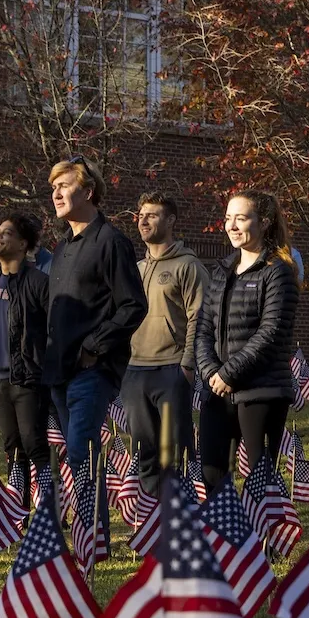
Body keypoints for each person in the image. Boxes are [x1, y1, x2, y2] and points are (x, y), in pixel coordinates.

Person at [41, 156, 148, 472]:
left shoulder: (112, 242)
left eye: (64, 185)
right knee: (75, 461)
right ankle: (85, 522)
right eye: (53, 188)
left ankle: (92, 523)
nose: (56, 194)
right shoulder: (61, 248)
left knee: (81, 455)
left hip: (92, 370)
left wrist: (94, 346)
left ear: (87, 192)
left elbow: (134, 305)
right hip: (58, 370)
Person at [195, 189, 298, 487]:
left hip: (261, 389)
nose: (232, 226)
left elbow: (271, 332)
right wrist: (212, 372)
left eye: (241, 218)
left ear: (264, 222)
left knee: (260, 482)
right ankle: (220, 535)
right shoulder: (221, 270)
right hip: (218, 390)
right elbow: (203, 329)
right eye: (228, 218)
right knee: (212, 477)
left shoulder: (278, 271)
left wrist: (230, 373)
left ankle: (263, 534)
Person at [128, 191, 204, 494]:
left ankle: (182, 515)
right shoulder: (136, 269)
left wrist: (187, 364)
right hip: (135, 370)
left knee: (175, 451)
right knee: (143, 450)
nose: (144, 221)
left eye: (152, 215)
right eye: (141, 215)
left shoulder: (188, 266)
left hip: (172, 369)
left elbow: (200, 317)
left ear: (170, 220)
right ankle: (150, 516)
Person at [0, 210, 52, 476]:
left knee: (35, 446)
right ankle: (19, 515)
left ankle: (50, 510)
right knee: (12, 450)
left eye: (7, 233)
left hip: (27, 380)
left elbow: (54, 329)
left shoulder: (38, 283)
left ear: (23, 244)